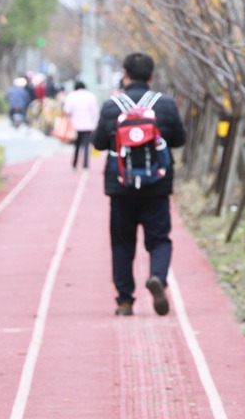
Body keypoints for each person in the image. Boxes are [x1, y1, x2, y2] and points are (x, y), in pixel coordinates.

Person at [93, 52, 186, 316]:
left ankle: (124, 300)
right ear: (152, 76)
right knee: (159, 239)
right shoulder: (165, 105)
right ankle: (157, 277)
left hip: (120, 187)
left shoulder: (112, 106)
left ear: (125, 74)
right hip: (157, 186)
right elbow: (179, 139)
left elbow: (99, 143)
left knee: (122, 242)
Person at [62, 80, 99, 170]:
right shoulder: (91, 96)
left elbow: (67, 110)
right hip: (88, 124)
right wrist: (96, 123)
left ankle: (74, 163)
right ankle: (85, 164)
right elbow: (95, 111)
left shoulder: (71, 96)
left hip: (75, 124)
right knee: (86, 145)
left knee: (77, 145)